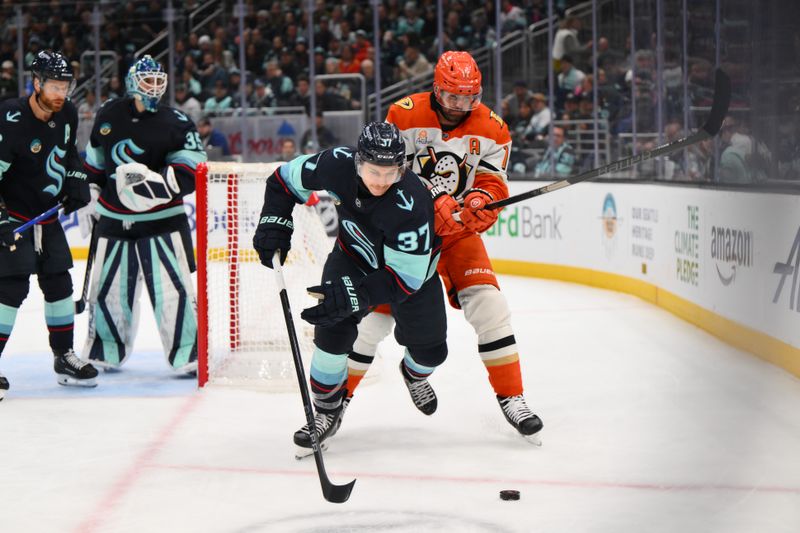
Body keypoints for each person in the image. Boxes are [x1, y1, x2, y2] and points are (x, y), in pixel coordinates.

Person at [346, 51, 544, 441]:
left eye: (468, 97)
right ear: (436, 89)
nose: (459, 105)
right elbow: (388, 172)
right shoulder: (404, 114)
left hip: (455, 234)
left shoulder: (494, 128)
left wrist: (480, 204)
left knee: (490, 305)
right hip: (404, 232)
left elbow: (492, 182)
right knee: (373, 323)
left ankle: (513, 397)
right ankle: (334, 405)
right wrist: (431, 198)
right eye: (452, 96)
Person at [252, 122, 445, 454]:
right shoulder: (335, 163)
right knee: (332, 327)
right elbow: (283, 181)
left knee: (431, 352)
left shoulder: (413, 201)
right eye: (374, 171)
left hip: (412, 277)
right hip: (353, 257)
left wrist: (358, 295)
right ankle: (326, 413)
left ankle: (413, 373)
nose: (382, 181)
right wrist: (275, 221)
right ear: (358, 162)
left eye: (391, 172)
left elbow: (405, 280)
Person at [78, 55, 207, 374]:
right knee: (108, 290)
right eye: (147, 81)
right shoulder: (108, 114)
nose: (154, 87)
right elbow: (95, 159)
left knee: (173, 291)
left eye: (158, 81)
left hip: (162, 221)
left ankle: (187, 352)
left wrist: (157, 185)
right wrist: (90, 191)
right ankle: (105, 349)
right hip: (113, 219)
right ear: (132, 83)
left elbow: (192, 168)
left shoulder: (176, 121)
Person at [0, 50, 97, 399]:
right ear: (36, 82)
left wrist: (75, 182)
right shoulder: (8, 118)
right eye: (54, 85)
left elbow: (70, 153)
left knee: (59, 285)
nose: (60, 93)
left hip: (47, 216)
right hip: (13, 216)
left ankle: (63, 357)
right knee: (10, 289)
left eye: (65, 86)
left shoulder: (66, 112)